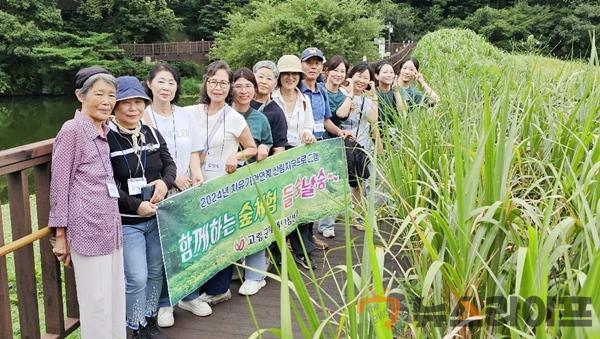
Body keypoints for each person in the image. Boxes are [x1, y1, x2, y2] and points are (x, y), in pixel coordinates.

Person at [49, 67, 125, 339]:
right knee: (96, 301)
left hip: (110, 227)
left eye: (111, 95)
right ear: (80, 96)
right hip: (87, 229)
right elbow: (59, 184)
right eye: (99, 94)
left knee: (115, 296)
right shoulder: (71, 130)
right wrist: (60, 234)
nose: (107, 101)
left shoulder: (104, 129)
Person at [142, 63, 211, 328]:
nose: (166, 87)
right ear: (150, 84)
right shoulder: (143, 115)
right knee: (162, 252)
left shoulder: (185, 115)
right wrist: (173, 178)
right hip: (159, 193)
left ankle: (189, 296)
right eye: (161, 81)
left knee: (188, 245)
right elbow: (146, 158)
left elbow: (194, 153)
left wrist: (197, 176)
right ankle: (164, 303)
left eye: (171, 82)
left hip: (186, 191)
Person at [107, 75, 176, 339]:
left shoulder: (150, 133)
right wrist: (137, 206)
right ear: (115, 105)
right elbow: (110, 183)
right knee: (136, 277)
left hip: (157, 216)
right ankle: (135, 326)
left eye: (139, 101)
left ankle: (149, 320)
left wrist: (164, 183)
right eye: (126, 102)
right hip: (128, 221)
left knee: (157, 270)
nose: (133, 108)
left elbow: (169, 164)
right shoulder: (108, 138)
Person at [189, 60, 258, 305]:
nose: (217, 87)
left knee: (220, 237)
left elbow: (252, 148)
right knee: (199, 238)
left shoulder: (235, 118)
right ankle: (196, 289)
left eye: (223, 83)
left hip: (222, 187)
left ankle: (219, 289)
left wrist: (236, 155)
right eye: (213, 81)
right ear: (206, 83)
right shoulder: (191, 112)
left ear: (229, 88)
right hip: (195, 185)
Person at [271, 54, 318, 269]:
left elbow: (308, 126)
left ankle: (303, 251)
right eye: (286, 74)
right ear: (279, 76)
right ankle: (276, 254)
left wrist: (308, 134)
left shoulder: (304, 100)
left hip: (299, 156)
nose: (290, 78)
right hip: (277, 156)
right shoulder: (271, 99)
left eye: (294, 74)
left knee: (302, 204)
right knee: (277, 206)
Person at [299, 47, 347, 247]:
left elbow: (326, 120)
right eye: (309, 63)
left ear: (322, 67)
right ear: (301, 65)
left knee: (314, 193)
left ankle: (309, 236)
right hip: (300, 148)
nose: (313, 67)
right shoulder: (296, 90)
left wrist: (340, 132)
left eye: (317, 63)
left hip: (321, 146)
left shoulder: (321, 92)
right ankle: (298, 240)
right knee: (300, 194)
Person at [231, 68, 273, 295]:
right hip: (226, 182)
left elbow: (267, 142)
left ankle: (256, 275)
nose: (243, 91)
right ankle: (238, 268)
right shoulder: (223, 114)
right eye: (238, 85)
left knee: (254, 222)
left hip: (252, 180)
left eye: (248, 86)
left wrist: (264, 147)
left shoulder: (260, 118)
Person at [337, 63, 379, 222]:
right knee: (339, 180)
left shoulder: (367, 99)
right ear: (351, 75)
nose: (361, 80)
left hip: (361, 143)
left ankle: (358, 215)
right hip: (340, 141)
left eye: (366, 78)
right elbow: (340, 114)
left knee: (359, 181)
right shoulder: (341, 93)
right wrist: (350, 94)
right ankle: (336, 214)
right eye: (359, 76)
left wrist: (374, 95)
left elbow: (373, 119)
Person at [251, 60, 288, 155]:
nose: (263, 81)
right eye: (260, 77)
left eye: (269, 79)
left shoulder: (277, 113)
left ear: (275, 83)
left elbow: (279, 149)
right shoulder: (241, 102)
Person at [374, 60, 406, 127]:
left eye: (391, 72)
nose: (389, 75)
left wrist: (396, 92)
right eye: (385, 72)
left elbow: (403, 114)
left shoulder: (399, 91)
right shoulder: (373, 92)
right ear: (377, 76)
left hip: (395, 131)